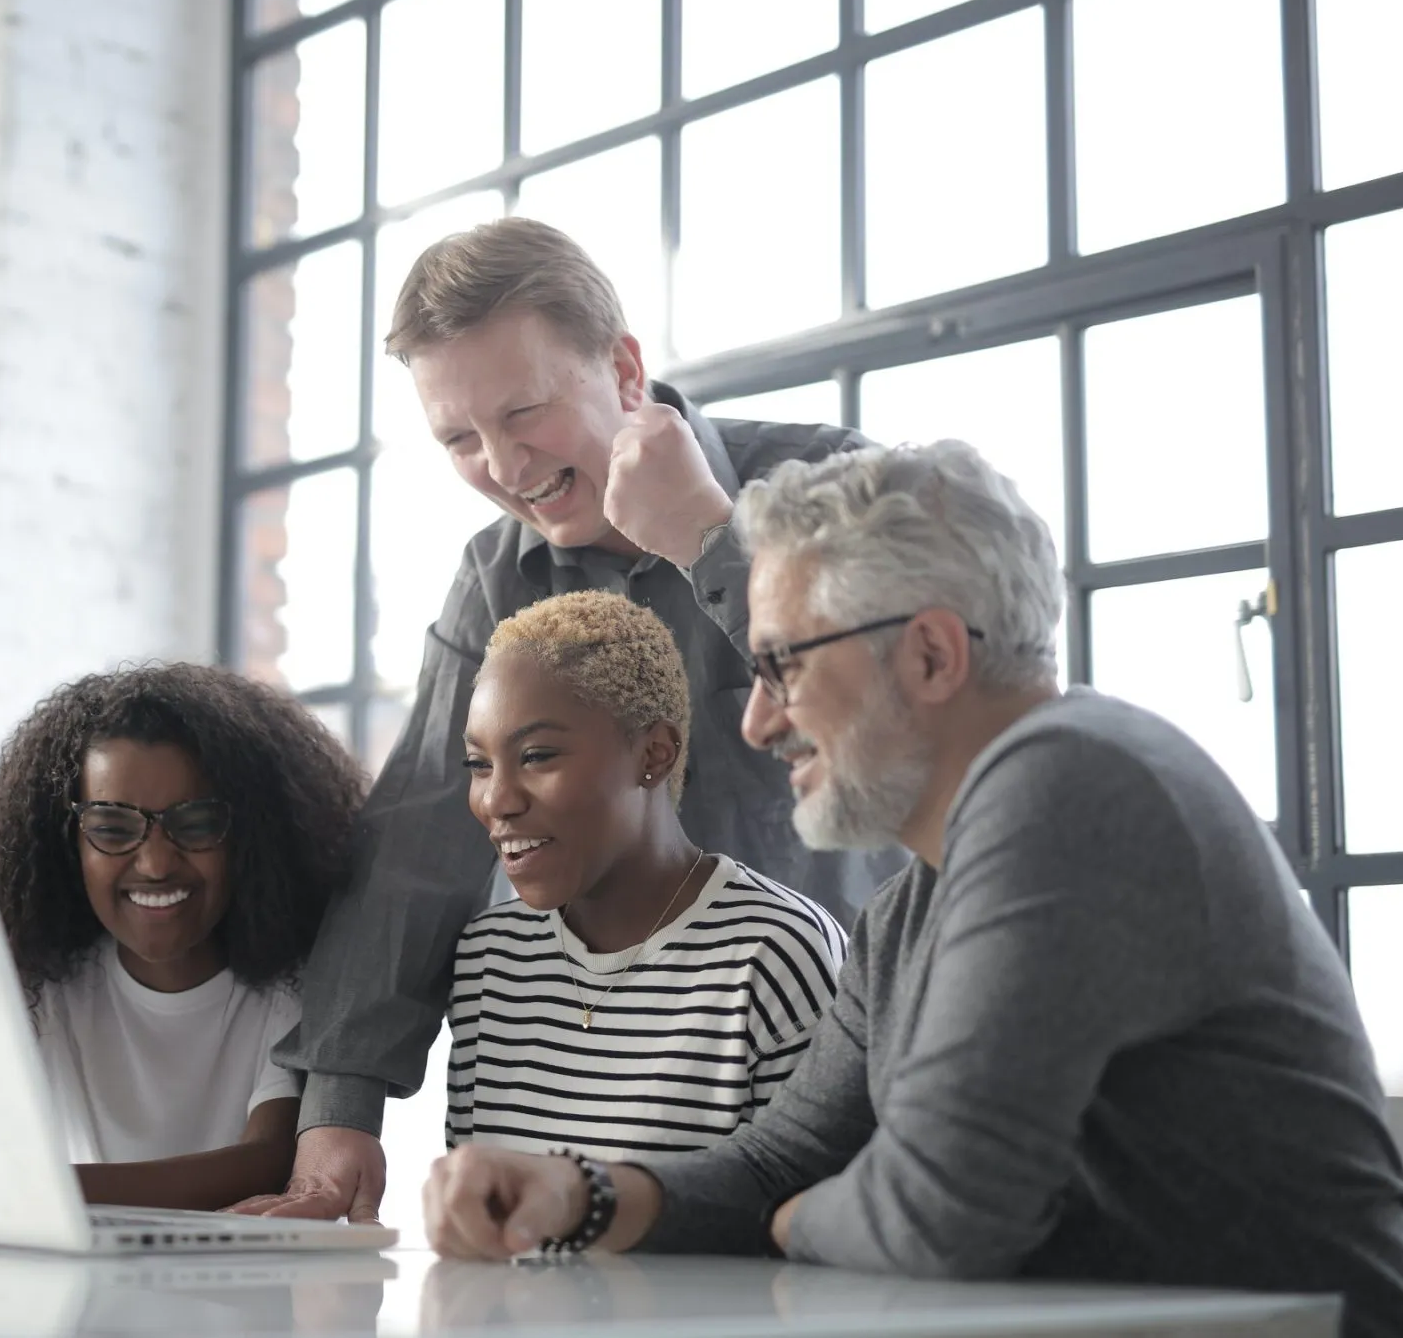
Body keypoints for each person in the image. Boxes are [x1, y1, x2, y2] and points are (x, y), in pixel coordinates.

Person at [421, 441, 1403, 1338]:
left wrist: (794, 1220)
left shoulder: (1071, 783)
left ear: (930, 653)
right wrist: (581, 1193)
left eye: (780, 667)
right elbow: (779, 1161)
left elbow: (933, 1216)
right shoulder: (911, 903)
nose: (757, 723)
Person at [237, 217, 904, 1223]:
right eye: (457, 438)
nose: (500, 465)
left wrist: (706, 540)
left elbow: (892, 717)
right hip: (590, 1107)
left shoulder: (830, 486)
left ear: (624, 368)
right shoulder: (492, 575)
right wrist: (340, 1103)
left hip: (827, 1090)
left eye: (523, 413)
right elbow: (416, 841)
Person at [0, 663, 367, 1213]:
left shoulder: (291, 984)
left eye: (197, 823)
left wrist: (29, 1191)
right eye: (112, 827)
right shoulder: (39, 983)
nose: (156, 863)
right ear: (67, 843)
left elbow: (265, 1163)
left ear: (249, 836)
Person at [447, 590, 847, 1161]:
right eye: (478, 765)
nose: (496, 800)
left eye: (536, 756)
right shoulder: (490, 958)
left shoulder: (775, 954)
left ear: (654, 754)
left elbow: (814, 1216)